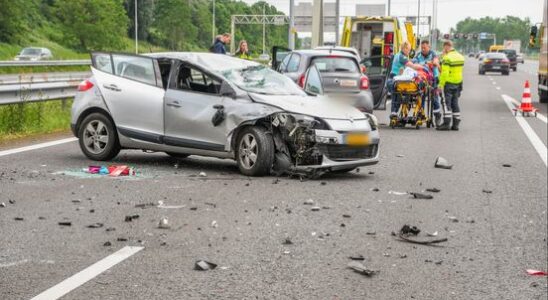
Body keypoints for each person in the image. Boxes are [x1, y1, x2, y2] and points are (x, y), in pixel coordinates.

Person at [388, 41, 425, 120]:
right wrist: (423, 67)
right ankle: (394, 112)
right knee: (398, 94)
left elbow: (410, 63)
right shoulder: (402, 57)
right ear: (404, 48)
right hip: (396, 77)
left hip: (395, 77)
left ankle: (395, 112)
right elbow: (412, 66)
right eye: (408, 49)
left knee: (398, 94)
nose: (409, 51)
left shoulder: (398, 55)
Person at [437, 40, 464, 131]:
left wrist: (440, 85)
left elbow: (445, 73)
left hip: (448, 83)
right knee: (455, 103)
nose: (443, 50)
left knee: (446, 103)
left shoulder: (447, 58)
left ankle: (446, 123)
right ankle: (456, 124)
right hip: (458, 83)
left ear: (446, 47)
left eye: (444, 48)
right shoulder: (460, 57)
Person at [413, 40, 442, 125]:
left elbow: (436, 61)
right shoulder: (418, 55)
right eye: (422, 48)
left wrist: (434, 63)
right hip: (422, 78)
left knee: (434, 97)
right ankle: (420, 113)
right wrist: (425, 63)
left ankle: (437, 115)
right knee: (420, 95)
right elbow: (413, 63)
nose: (423, 49)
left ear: (429, 47)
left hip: (433, 78)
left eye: (425, 48)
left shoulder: (433, 54)